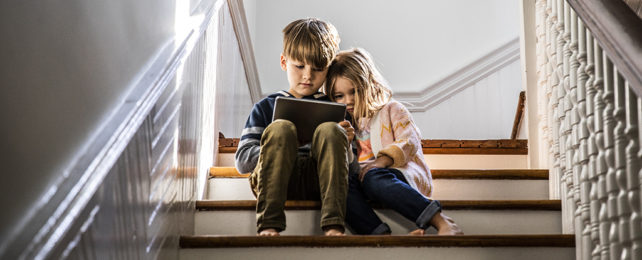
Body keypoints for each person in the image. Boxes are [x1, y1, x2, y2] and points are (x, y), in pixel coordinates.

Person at [235, 18, 354, 237]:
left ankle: (334, 225)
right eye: (299, 66)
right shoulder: (265, 107)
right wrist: (280, 148)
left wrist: (345, 145)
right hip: (274, 180)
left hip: (320, 181)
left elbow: (350, 169)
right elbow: (242, 162)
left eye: (318, 69)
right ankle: (269, 225)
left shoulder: (336, 110)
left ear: (328, 70)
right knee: (281, 128)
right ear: (284, 62)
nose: (308, 76)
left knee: (331, 130)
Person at [325, 48, 463, 236]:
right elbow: (347, 166)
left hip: (397, 174)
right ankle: (380, 235)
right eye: (339, 96)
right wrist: (346, 144)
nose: (348, 100)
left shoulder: (391, 110)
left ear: (369, 85)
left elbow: (410, 141)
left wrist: (380, 162)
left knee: (373, 177)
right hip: (363, 180)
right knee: (342, 188)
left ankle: (442, 221)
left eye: (354, 92)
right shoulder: (343, 124)